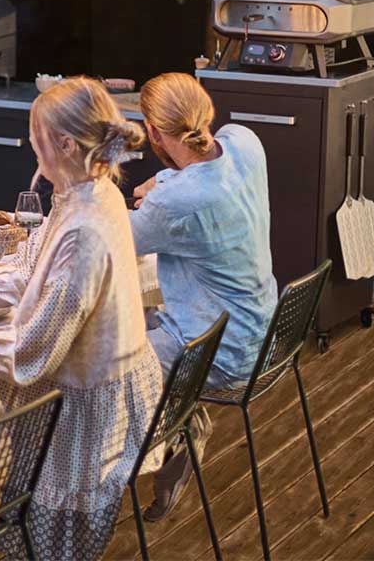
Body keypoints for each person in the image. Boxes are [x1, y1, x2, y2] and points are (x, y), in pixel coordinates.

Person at [0, 77, 163, 561]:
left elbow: (30, 354)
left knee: (58, 547)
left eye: (36, 134)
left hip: (86, 406)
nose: (29, 142)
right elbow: (36, 270)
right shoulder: (89, 190)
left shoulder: (86, 227)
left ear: (63, 143)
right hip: (94, 382)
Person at [128, 71, 276, 521]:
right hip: (262, 330)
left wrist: (154, 190)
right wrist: (161, 181)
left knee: (97, 368)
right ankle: (174, 421)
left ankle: (174, 429)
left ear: (153, 132)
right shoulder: (244, 142)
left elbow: (107, 246)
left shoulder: (177, 203)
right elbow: (198, 171)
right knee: (136, 320)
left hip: (216, 350)